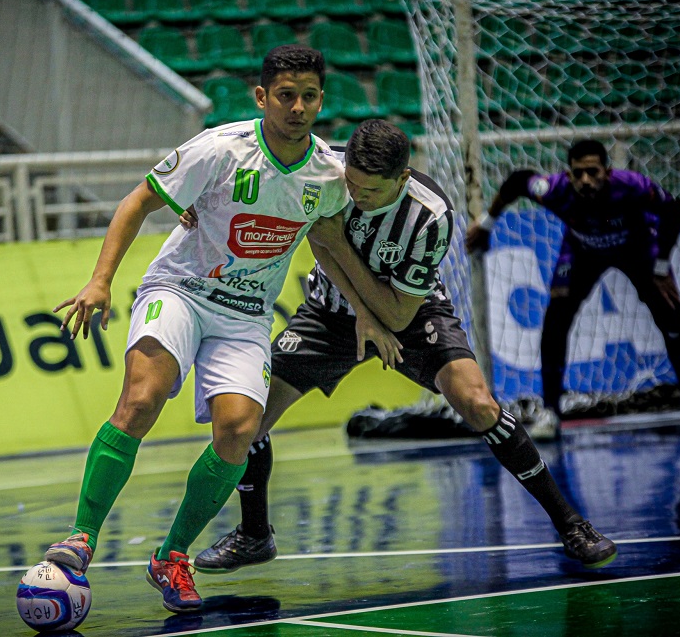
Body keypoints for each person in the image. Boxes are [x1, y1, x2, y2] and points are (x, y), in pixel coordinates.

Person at [187, 120, 618, 579]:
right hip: (329, 313)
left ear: (403, 178)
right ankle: (255, 534)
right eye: (350, 183)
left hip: (411, 315)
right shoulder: (327, 170)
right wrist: (196, 203)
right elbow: (305, 224)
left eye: (369, 191)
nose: (354, 196)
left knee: (479, 404)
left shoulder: (430, 216)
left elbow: (395, 314)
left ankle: (571, 524)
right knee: (249, 419)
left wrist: (358, 282)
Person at [43, 45, 390, 615]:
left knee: (238, 430)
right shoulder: (221, 149)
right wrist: (100, 281)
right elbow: (139, 201)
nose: (297, 107)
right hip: (179, 289)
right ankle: (81, 536)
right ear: (262, 97)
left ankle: (172, 556)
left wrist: (369, 314)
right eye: (285, 96)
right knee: (141, 398)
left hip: (246, 314)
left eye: (308, 96)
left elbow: (329, 247)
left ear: (321, 100)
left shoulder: (329, 174)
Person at [465, 139, 680, 440]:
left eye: (593, 172)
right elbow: (518, 181)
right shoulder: (555, 189)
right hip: (582, 251)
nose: (585, 180)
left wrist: (662, 267)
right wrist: (485, 224)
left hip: (636, 248)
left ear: (607, 172)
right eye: (578, 173)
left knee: (671, 314)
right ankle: (551, 412)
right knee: (555, 321)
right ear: (569, 174)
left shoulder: (632, 186)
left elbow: (673, 209)